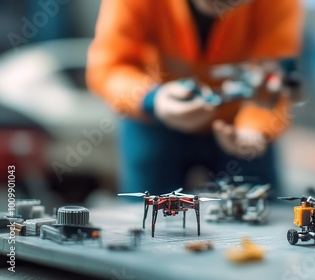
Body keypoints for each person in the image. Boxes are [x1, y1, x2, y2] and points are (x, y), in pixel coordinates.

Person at [87, 0, 303, 194]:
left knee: (260, 217)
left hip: (239, 123)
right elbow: (108, 67)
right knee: (148, 219)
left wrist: (256, 127)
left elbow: (276, 75)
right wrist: (153, 99)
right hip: (155, 120)